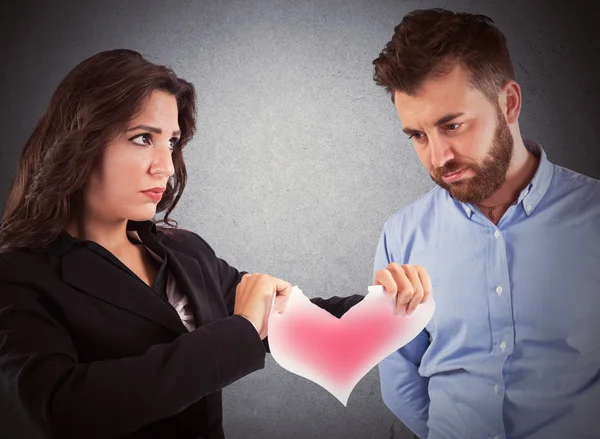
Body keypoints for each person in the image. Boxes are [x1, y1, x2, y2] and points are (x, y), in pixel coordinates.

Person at [0, 49, 431, 439]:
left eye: (170, 142)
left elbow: (289, 317)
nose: (165, 166)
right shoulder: (20, 275)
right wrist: (240, 330)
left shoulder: (185, 252)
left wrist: (395, 300)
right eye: (142, 138)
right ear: (79, 141)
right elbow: (65, 410)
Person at [369, 7, 600, 439]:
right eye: (417, 135)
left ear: (508, 102)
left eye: (452, 125)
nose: (438, 158)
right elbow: (400, 377)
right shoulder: (402, 235)